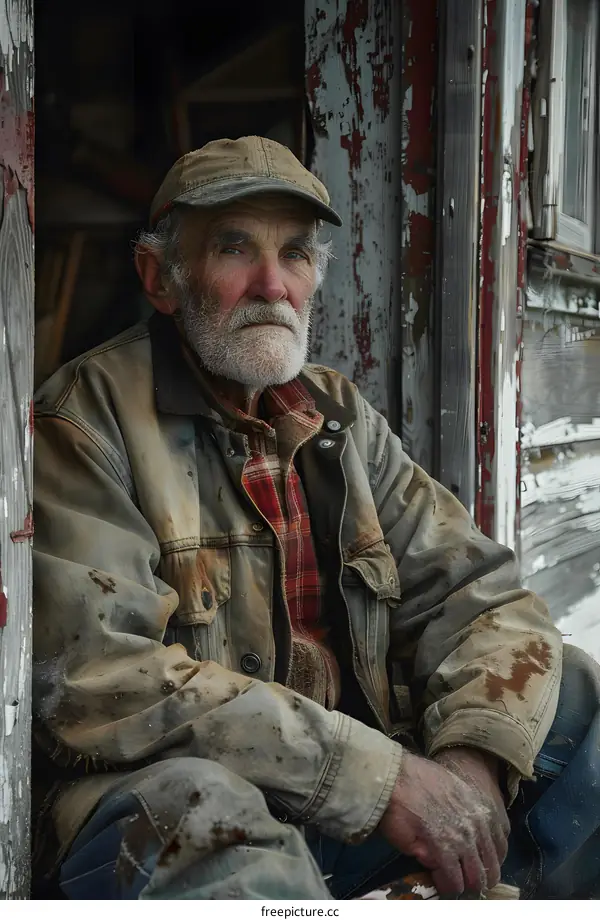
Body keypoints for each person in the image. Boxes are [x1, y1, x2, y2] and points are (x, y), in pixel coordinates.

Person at [32, 136, 600, 900]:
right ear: (158, 277)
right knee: (201, 811)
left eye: (295, 254)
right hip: (189, 807)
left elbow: (477, 597)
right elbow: (99, 682)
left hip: (346, 806)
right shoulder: (84, 422)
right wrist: (377, 777)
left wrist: (471, 767)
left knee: (570, 696)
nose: (273, 284)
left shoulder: (336, 413)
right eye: (235, 248)